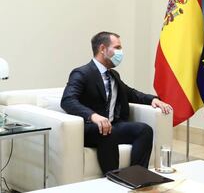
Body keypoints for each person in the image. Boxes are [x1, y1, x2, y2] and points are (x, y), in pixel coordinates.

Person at [61, 31, 172, 174]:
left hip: (113, 126)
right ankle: (113, 178)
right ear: (102, 49)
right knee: (107, 132)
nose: (121, 52)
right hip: (91, 128)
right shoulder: (82, 73)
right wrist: (93, 116)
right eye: (117, 48)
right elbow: (68, 100)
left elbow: (130, 93)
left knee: (144, 130)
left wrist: (153, 99)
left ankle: (136, 175)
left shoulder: (113, 75)